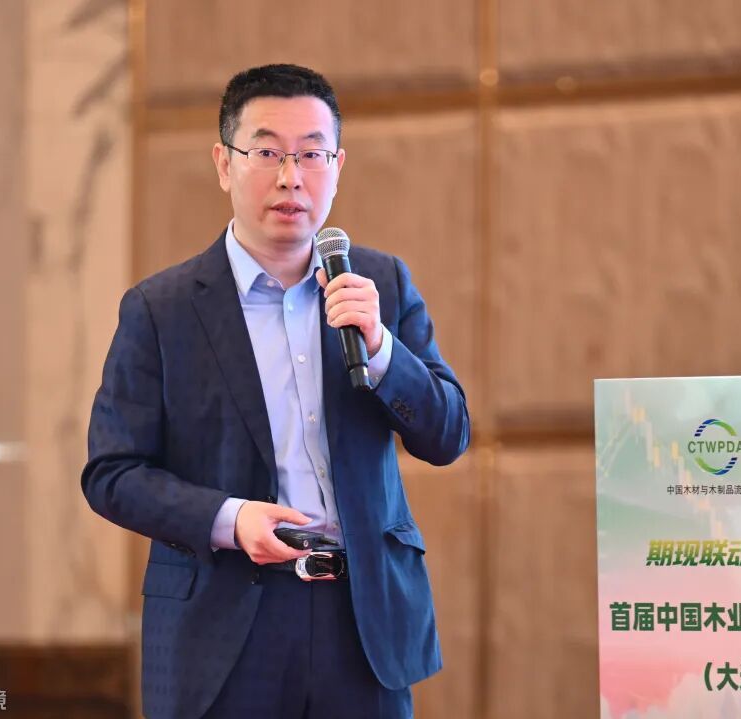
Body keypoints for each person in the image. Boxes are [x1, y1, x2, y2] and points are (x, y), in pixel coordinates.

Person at [81, 64, 470, 719]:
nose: (292, 177)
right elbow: (112, 473)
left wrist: (380, 348)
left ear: (338, 166)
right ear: (224, 163)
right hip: (225, 625)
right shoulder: (161, 309)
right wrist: (231, 519)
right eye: (267, 153)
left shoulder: (380, 285)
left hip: (361, 624)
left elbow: (448, 434)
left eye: (312, 154)